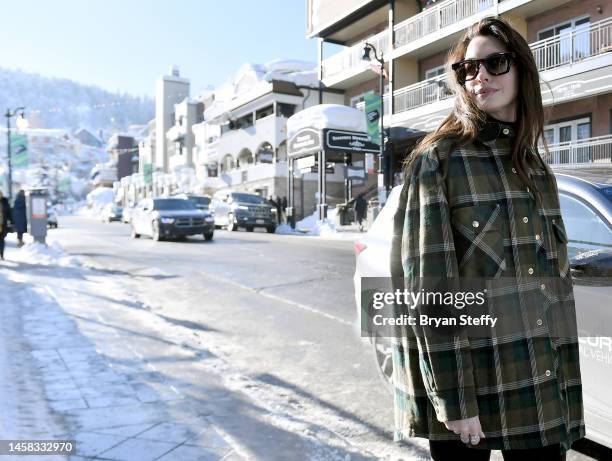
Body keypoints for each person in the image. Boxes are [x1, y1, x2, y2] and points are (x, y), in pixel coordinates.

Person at [390, 17, 583, 461]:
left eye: (494, 63)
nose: (480, 77)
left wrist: (566, 392)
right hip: (472, 395)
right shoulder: (439, 161)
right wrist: (454, 402)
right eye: (467, 69)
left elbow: (553, 290)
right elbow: (430, 292)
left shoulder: (537, 169)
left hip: (540, 387)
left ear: (522, 70)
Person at [0, 191, 11, 260]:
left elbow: (9, 212)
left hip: (2, 224)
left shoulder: (4, 201)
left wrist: (11, 221)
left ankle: (2, 254)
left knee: (2, 240)